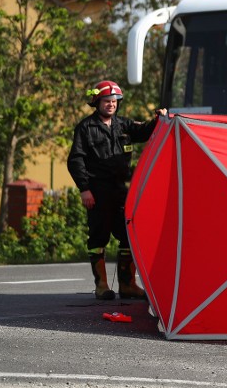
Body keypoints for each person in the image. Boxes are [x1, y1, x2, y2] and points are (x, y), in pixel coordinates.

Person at [67, 80, 167, 300]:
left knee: (128, 236)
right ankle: (102, 286)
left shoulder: (123, 125)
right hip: (97, 193)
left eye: (114, 101)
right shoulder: (85, 128)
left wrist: (161, 119)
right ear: (97, 102)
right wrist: (85, 189)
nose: (111, 105)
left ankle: (128, 285)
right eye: (106, 101)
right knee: (98, 238)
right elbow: (76, 161)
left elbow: (144, 132)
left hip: (122, 192)